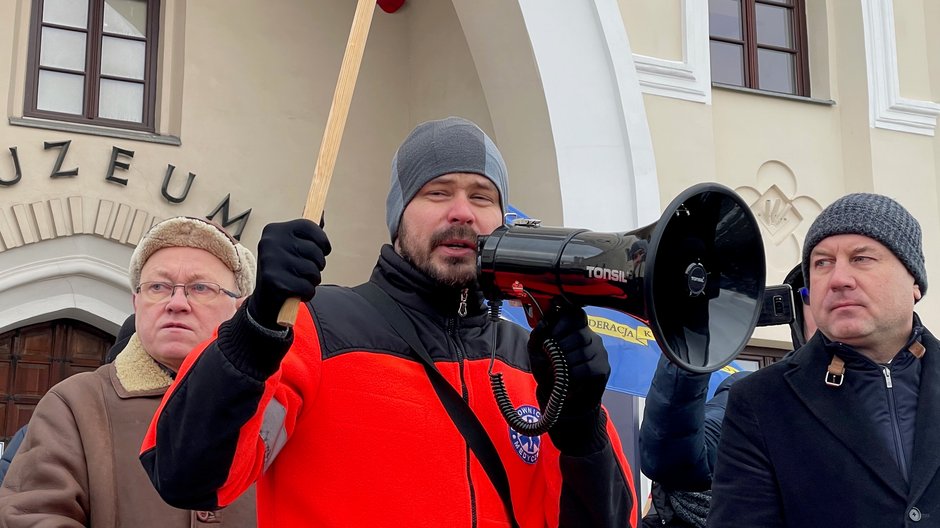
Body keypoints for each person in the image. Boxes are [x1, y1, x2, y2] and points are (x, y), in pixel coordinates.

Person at [141, 116, 638, 527]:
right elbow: (190, 476)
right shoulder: (313, 331)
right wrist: (257, 324)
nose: (462, 212)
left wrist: (581, 427)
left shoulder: (534, 364)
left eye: (482, 197)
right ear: (399, 216)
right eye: (437, 192)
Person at [0, 217, 258, 527]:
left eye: (200, 287)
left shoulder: (280, 405)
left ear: (239, 306)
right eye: (158, 287)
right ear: (136, 303)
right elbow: (34, 517)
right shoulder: (75, 404)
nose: (177, 303)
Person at [708, 193, 938, 527]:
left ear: (914, 280)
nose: (838, 279)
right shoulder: (761, 402)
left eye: (861, 258)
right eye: (821, 263)